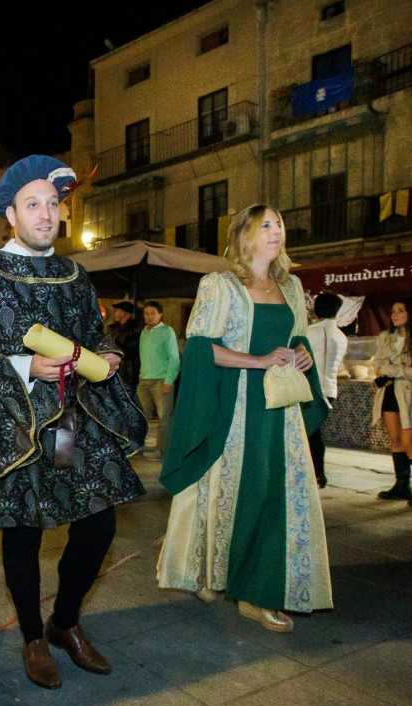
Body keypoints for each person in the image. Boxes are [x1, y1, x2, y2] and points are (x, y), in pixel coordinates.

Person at [0, 156, 146, 689]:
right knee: (24, 528)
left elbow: (91, 333)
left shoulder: (76, 275)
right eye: (33, 205)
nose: (46, 214)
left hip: (69, 427)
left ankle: (66, 621)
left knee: (96, 519)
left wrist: (106, 354)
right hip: (14, 423)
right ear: (10, 214)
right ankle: (34, 636)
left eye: (53, 204)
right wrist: (24, 365)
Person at [157, 204, 330, 634]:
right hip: (233, 407)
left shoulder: (292, 287)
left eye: (280, 224)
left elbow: (295, 339)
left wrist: (303, 353)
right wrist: (258, 360)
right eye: (266, 224)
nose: (277, 231)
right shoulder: (220, 285)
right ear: (244, 234)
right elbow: (200, 348)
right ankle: (208, 571)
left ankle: (257, 590)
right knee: (220, 493)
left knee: (274, 497)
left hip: (279, 411)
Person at [369, 298, 412, 507]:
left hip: (411, 396)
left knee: (411, 442)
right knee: (396, 441)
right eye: (393, 311)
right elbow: (379, 365)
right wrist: (399, 369)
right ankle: (402, 485)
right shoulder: (385, 338)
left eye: (401, 310)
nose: (395, 315)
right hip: (389, 393)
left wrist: (395, 369)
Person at [304, 292, 347, 488]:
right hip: (330, 389)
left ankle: (313, 474)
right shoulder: (341, 335)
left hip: (310, 389)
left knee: (308, 434)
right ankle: (318, 474)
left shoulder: (309, 331)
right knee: (315, 433)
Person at [136, 300, 179, 456]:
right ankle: (138, 447)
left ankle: (163, 451)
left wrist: (169, 381)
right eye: (146, 313)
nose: (149, 316)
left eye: (152, 313)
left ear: (160, 314)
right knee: (140, 417)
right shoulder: (144, 332)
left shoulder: (168, 332)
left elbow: (174, 358)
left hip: (161, 381)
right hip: (143, 381)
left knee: (164, 419)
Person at [108, 301, 142, 388]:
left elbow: (131, 350)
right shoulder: (113, 328)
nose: (115, 313)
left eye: (118, 311)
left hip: (128, 370)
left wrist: (115, 348)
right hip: (114, 368)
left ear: (126, 314)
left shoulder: (135, 329)